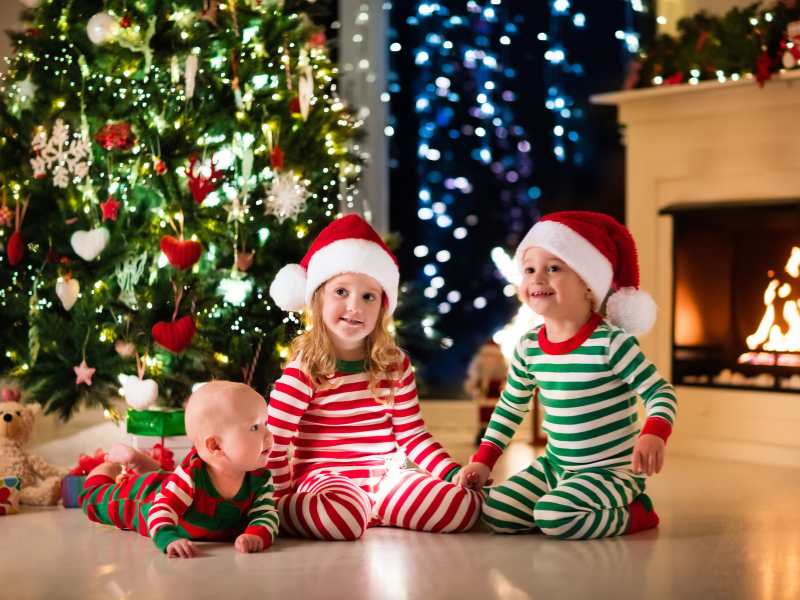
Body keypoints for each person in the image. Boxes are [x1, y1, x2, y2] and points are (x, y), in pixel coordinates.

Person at [454, 211, 677, 539]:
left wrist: (653, 433)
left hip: (611, 473)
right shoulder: (529, 347)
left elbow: (660, 393)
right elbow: (510, 408)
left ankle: (634, 513)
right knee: (496, 511)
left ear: (589, 285)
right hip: (555, 467)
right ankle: (563, 501)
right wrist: (484, 460)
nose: (537, 279)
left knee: (553, 517)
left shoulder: (611, 343)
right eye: (529, 269)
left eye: (553, 268)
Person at [266, 213, 481, 540]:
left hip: (385, 480)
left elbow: (413, 437)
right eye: (341, 291)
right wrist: (277, 501)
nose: (355, 306)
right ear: (318, 298)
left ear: (382, 307)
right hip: (326, 482)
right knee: (344, 518)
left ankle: (376, 509)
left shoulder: (394, 365)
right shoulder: (304, 369)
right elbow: (275, 443)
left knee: (461, 507)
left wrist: (452, 474)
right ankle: (298, 512)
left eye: (369, 296)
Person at [79, 381, 279, 557]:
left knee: (166, 478)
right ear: (216, 446)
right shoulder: (191, 476)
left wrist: (257, 535)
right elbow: (160, 509)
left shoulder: (259, 476)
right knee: (93, 500)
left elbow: (266, 513)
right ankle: (109, 465)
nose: (269, 435)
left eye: (266, 424)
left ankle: (144, 464)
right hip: (146, 497)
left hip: (169, 482)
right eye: (255, 427)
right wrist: (168, 537)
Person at [463, 340, 507, 446]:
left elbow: (473, 374)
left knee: (486, 415)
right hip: (491, 392)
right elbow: (505, 374)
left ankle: (484, 435)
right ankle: (495, 437)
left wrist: (473, 386)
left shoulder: (480, 358)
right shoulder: (500, 358)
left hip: (486, 392)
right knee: (493, 415)